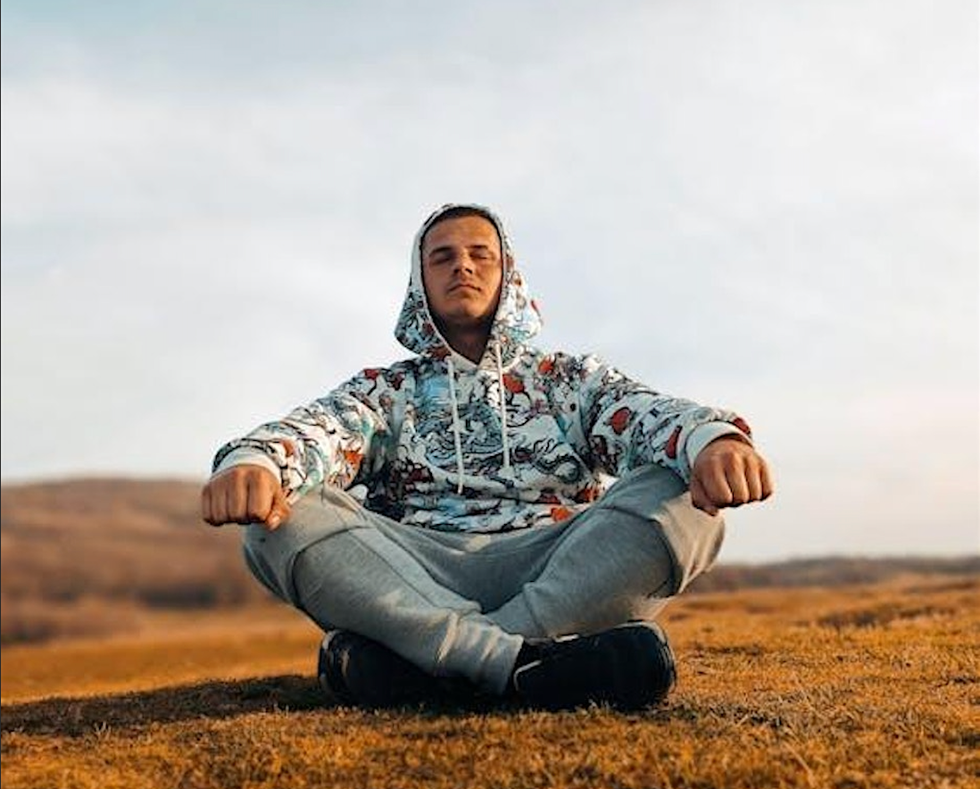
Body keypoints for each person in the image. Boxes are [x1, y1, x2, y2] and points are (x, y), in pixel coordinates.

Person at [202, 203, 773, 710]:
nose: (463, 267)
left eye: (481, 255)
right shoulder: (387, 390)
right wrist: (253, 463)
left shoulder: (569, 380)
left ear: (510, 275)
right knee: (279, 518)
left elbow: (647, 414)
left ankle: (437, 662)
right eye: (443, 257)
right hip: (417, 571)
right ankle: (528, 665)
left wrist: (713, 442)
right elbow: (321, 431)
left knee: (683, 499)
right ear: (418, 281)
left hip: (557, 566)